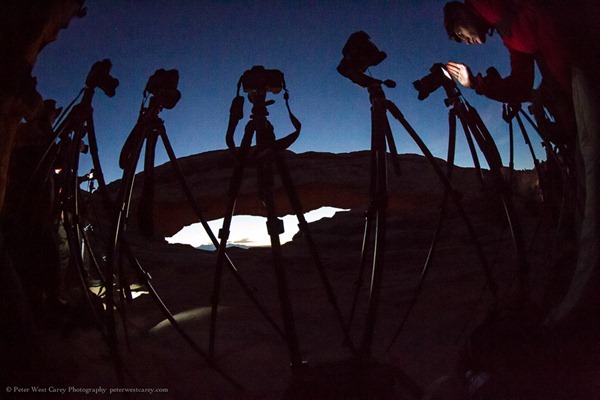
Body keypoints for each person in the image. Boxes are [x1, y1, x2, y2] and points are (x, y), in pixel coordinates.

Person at [442, 0, 600, 329]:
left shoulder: (491, 8)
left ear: (462, 14)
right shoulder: (511, 36)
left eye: (460, 34)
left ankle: (584, 298)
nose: (466, 41)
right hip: (575, 78)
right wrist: (476, 84)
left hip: (586, 62)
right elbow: (521, 85)